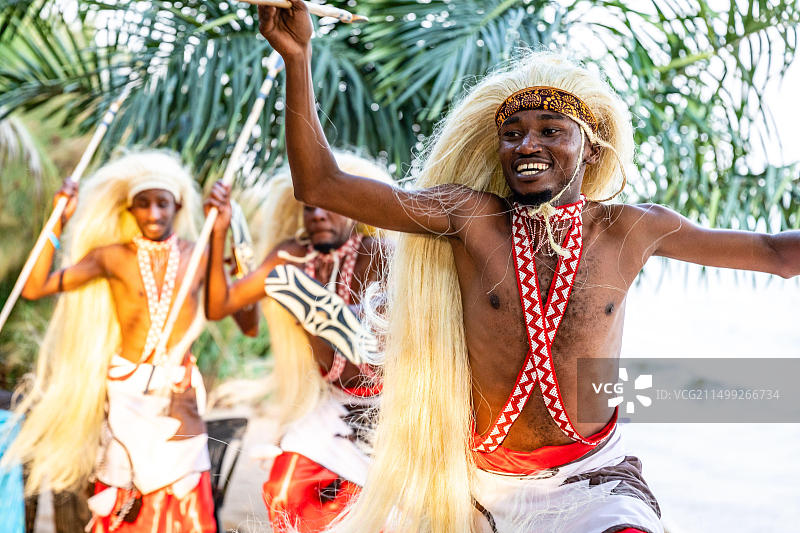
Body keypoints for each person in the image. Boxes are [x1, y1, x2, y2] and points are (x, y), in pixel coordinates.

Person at [255, 3, 800, 532]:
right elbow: (322, 185)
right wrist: (297, 58)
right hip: (483, 488)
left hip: (595, 483)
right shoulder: (470, 218)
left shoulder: (630, 229)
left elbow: (776, 254)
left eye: (549, 130)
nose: (527, 144)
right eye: (512, 133)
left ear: (589, 149)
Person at [6, 150, 254, 532]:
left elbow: (248, 322)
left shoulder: (199, 254)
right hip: (125, 397)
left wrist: (226, 234)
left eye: (162, 203)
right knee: (124, 498)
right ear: (130, 209)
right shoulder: (114, 257)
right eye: (143, 204)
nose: (153, 213)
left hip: (179, 399)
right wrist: (58, 219)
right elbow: (35, 286)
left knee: (184, 497)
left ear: (178, 205)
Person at [205, 152, 391, 532]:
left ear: (354, 208)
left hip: (391, 408)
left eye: (330, 206)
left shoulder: (386, 256)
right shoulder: (291, 259)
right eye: (308, 209)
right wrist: (219, 231)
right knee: (289, 487)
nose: (317, 215)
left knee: (385, 514)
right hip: (330, 405)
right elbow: (220, 304)